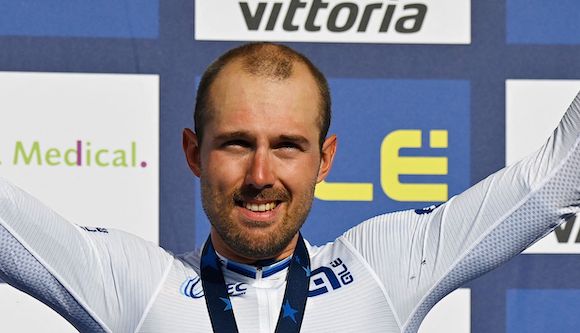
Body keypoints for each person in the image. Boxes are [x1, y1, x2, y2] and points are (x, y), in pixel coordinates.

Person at [0, 42, 579, 333]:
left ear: (325, 159)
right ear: (193, 153)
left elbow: (555, 179)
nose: (260, 176)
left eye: (287, 146)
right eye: (235, 143)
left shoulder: (385, 265)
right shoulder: (131, 282)